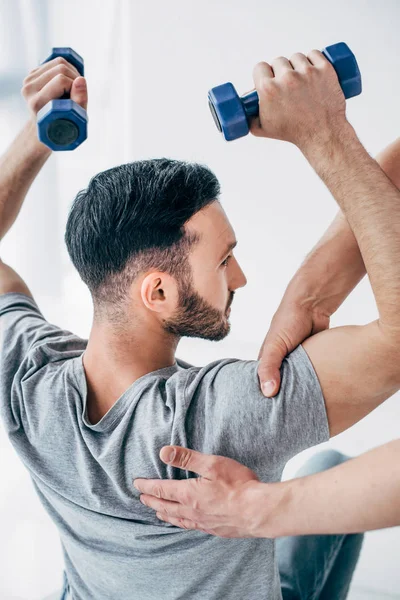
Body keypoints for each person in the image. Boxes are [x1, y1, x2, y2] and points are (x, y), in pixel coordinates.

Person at [0, 50, 399, 600]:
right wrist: (327, 135)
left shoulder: (29, 382)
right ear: (158, 292)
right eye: (223, 260)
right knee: (333, 467)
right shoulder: (221, 420)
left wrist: (41, 133)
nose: (240, 277)